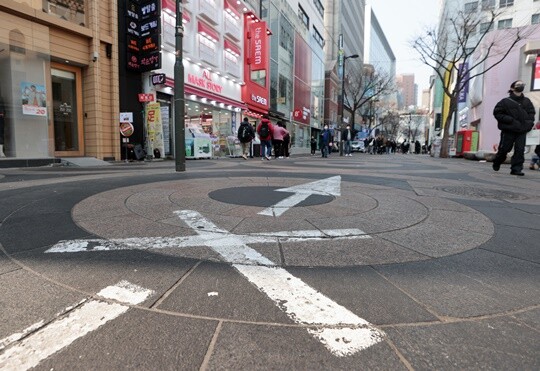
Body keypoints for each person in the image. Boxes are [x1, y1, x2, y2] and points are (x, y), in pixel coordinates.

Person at [492, 80, 536, 176]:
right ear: (512, 88)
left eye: (522, 84)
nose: (521, 86)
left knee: (520, 150)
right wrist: (510, 120)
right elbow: (497, 113)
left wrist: (529, 124)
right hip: (509, 129)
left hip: (522, 130)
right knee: (504, 149)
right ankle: (497, 160)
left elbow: (531, 113)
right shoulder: (504, 102)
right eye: (518, 84)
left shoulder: (527, 101)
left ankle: (516, 169)